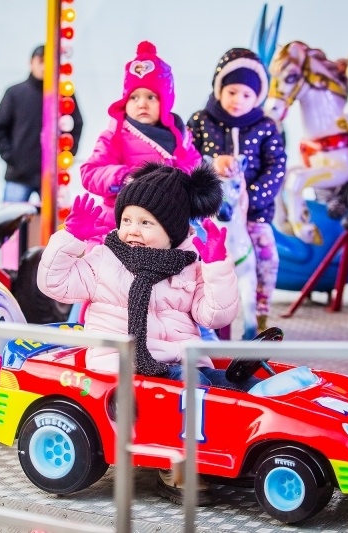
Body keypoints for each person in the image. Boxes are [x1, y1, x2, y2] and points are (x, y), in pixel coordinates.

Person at [37, 162, 259, 505]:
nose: (132, 230)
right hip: (120, 362)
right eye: (127, 220)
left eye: (145, 223)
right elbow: (54, 282)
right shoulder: (104, 260)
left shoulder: (189, 267)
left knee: (231, 384)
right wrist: (70, 238)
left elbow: (213, 315)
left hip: (175, 360)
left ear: (172, 230)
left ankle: (235, 449)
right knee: (190, 390)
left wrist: (216, 266)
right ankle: (178, 467)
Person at [187, 48, 286, 332]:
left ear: (257, 97)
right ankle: (198, 309)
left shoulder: (266, 126)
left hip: (253, 212)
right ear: (219, 88)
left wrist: (250, 199)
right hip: (207, 211)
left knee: (267, 255)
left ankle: (261, 313)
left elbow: (276, 164)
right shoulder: (200, 121)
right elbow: (187, 156)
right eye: (231, 92)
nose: (237, 100)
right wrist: (210, 170)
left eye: (246, 95)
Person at [80, 41, 201, 243]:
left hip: (166, 222)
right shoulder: (115, 135)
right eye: (134, 97)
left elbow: (195, 166)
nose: (142, 103)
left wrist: (180, 181)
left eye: (151, 97)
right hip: (121, 223)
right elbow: (90, 172)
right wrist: (126, 177)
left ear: (166, 101)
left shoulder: (180, 136)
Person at [0, 45, 83, 202]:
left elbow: (77, 124)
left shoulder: (64, 95)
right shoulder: (15, 93)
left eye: (50, 62)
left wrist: (68, 154)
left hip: (53, 176)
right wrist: (12, 158)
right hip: (18, 176)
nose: (45, 67)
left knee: (53, 224)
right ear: (31, 63)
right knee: (11, 222)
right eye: (41, 61)